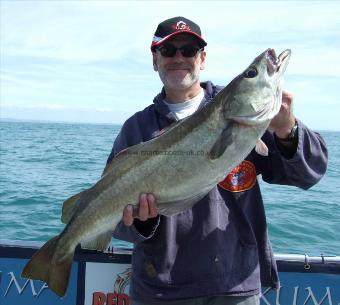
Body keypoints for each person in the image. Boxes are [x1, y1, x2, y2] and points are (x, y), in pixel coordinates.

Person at [106, 16, 328, 305]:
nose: (179, 57)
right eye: (168, 50)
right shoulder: (135, 129)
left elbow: (309, 173)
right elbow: (115, 220)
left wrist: (288, 130)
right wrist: (143, 223)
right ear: (154, 59)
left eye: (189, 50)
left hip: (235, 284)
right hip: (161, 291)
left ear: (203, 58)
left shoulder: (248, 117)